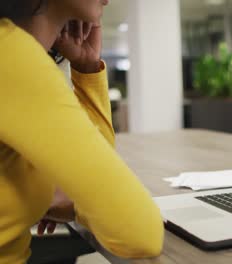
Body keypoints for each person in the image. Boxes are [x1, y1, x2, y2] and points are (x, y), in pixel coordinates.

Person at [0, 1, 164, 263]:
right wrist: (75, 205)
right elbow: (140, 233)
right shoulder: (10, 54)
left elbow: (96, 176)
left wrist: (87, 68)